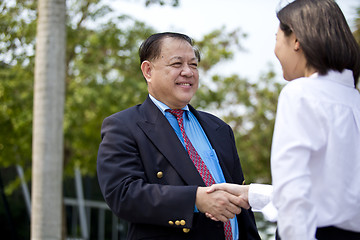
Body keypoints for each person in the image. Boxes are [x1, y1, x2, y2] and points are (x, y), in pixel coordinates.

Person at [207, 0, 360, 239]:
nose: (275, 49)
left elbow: (295, 194)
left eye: (276, 38)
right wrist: (251, 194)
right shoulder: (353, 99)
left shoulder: (300, 93)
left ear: (296, 39)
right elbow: (335, 197)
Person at [97, 32, 260, 240]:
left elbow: (242, 207)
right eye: (177, 64)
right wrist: (195, 199)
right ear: (148, 70)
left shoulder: (219, 128)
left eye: (193, 65)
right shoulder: (123, 126)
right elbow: (123, 195)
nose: (188, 72)